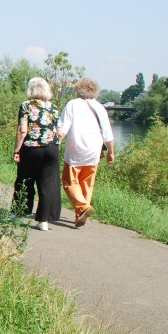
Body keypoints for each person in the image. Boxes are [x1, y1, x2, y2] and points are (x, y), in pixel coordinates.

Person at [56, 77, 116, 227]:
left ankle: (83, 207)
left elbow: (62, 130)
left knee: (69, 182)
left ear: (78, 90)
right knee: (86, 184)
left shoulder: (72, 105)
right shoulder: (99, 107)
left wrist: (56, 146)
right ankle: (79, 215)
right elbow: (108, 132)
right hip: (94, 153)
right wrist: (111, 152)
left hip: (76, 151)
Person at [12, 77, 61, 231]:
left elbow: (22, 130)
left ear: (31, 90)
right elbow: (59, 132)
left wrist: (16, 150)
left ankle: (20, 213)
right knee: (47, 185)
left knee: (25, 180)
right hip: (51, 149)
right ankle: (43, 221)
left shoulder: (26, 106)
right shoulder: (53, 107)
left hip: (32, 148)